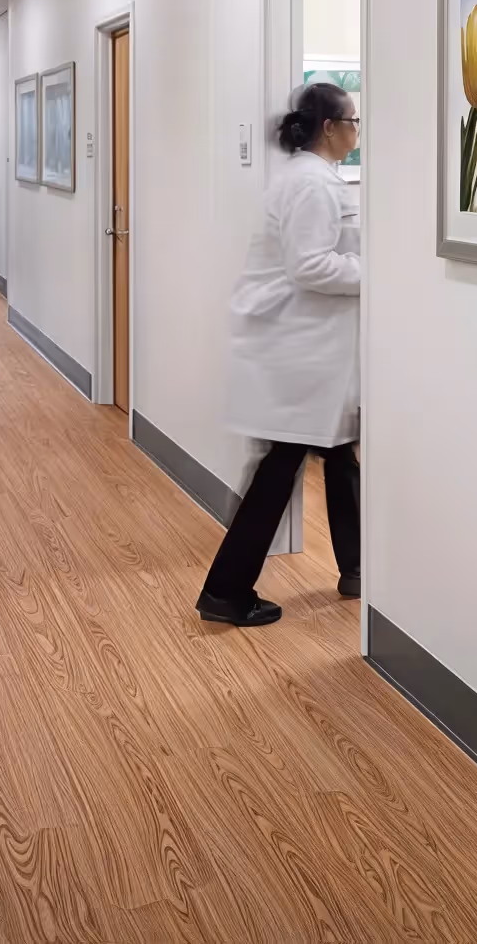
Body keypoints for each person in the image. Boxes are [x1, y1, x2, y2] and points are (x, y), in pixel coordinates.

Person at [196, 81, 362, 627]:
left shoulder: (307, 177)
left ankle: (359, 567)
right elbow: (310, 265)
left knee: (338, 454)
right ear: (331, 128)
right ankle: (225, 590)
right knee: (282, 469)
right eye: (354, 122)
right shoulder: (312, 185)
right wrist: (377, 272)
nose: (359, 132)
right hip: (296, 350)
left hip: (303, 349)